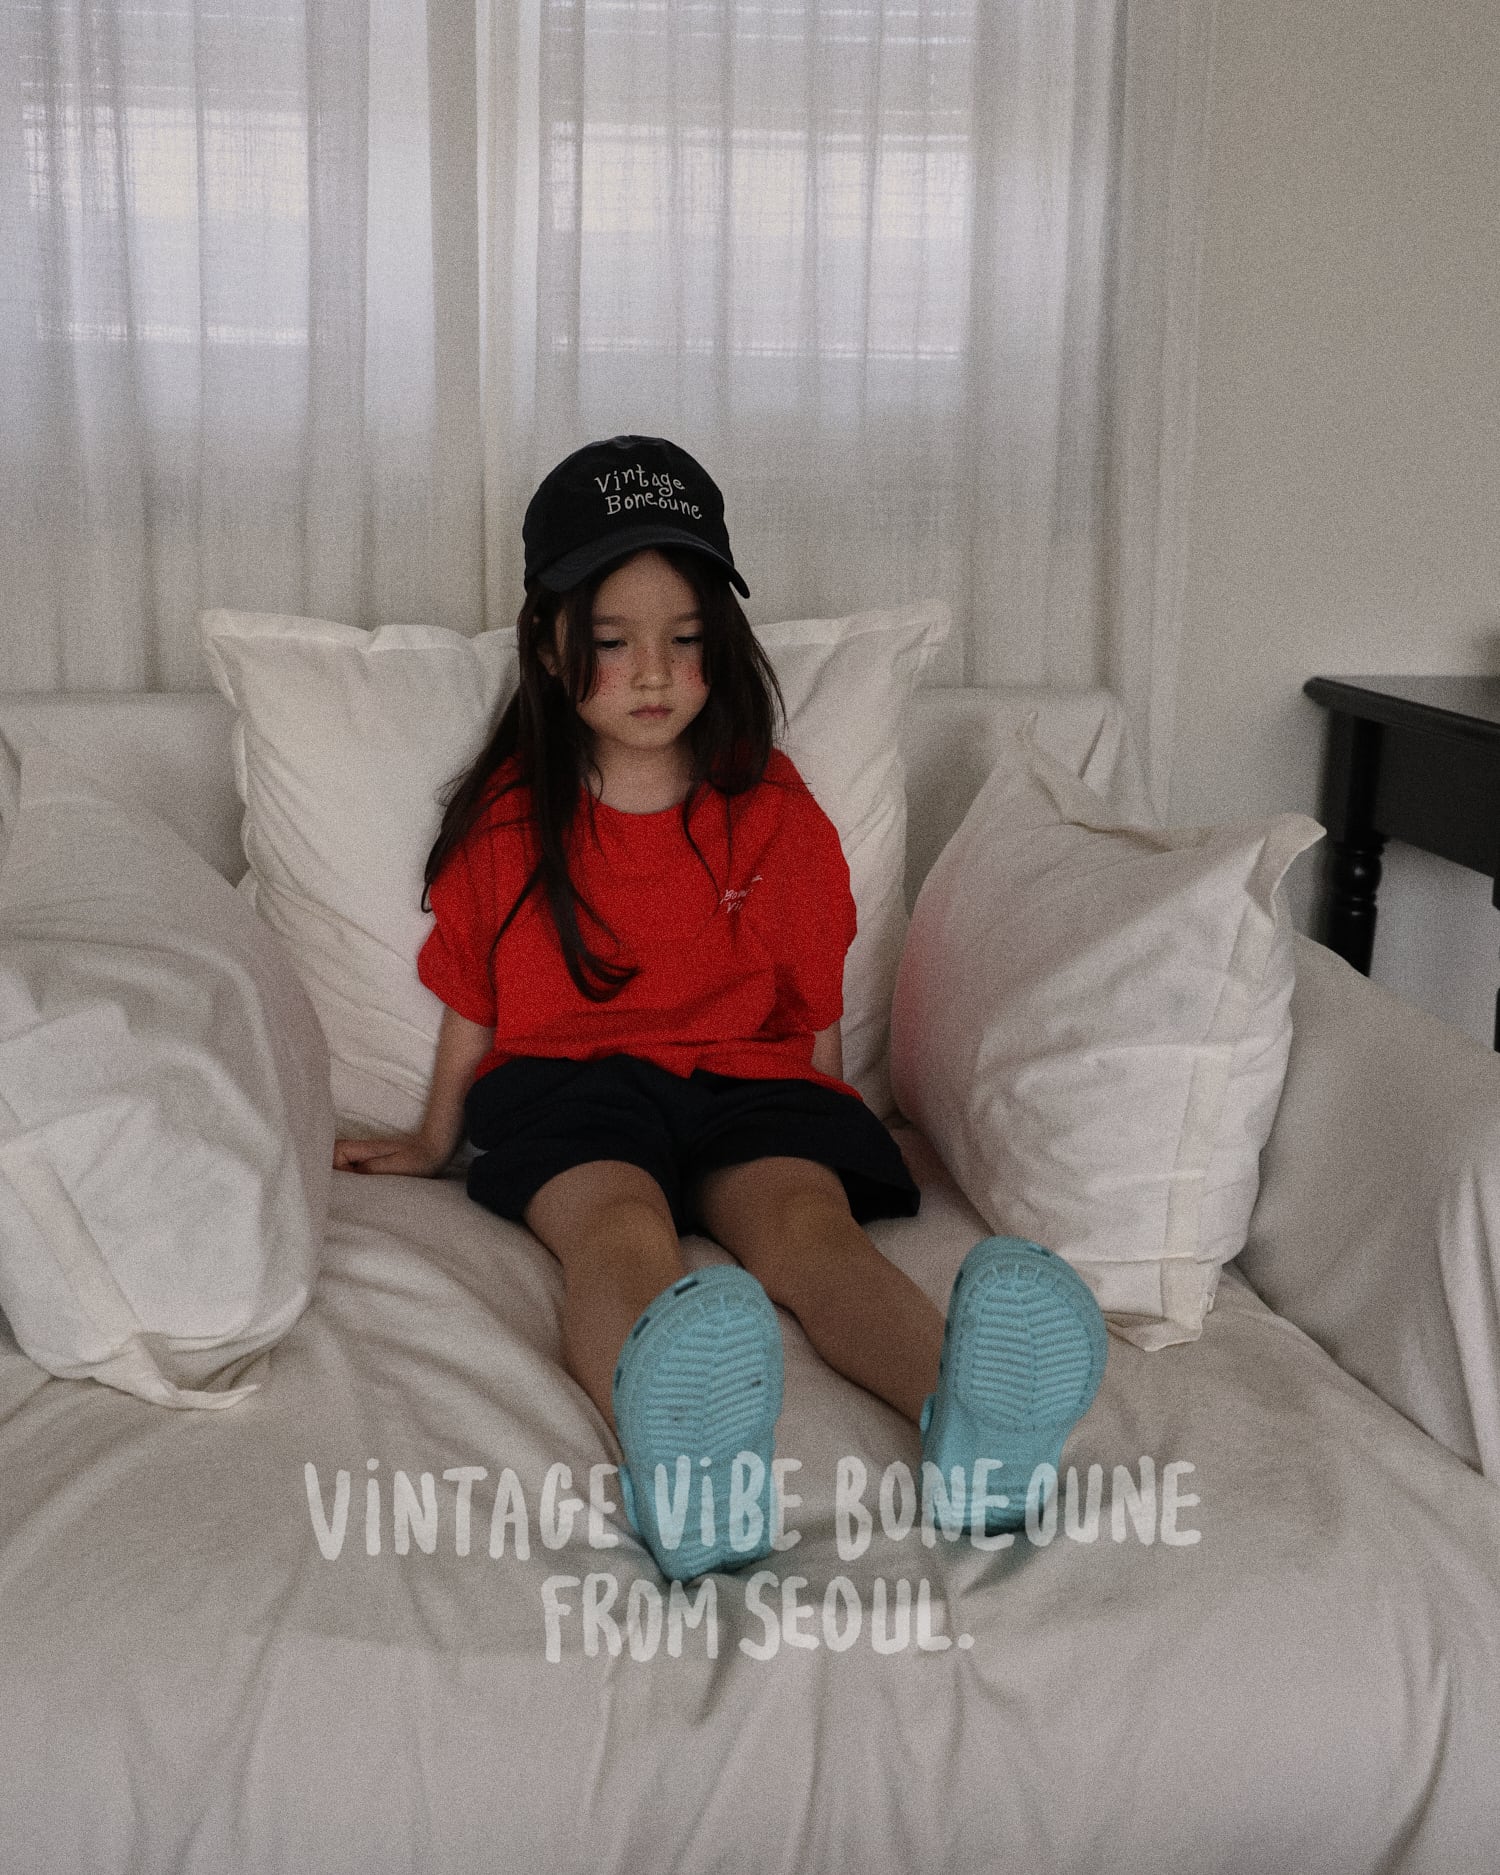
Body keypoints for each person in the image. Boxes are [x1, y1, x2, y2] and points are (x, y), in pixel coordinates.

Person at [333, 434, 1107, 1581]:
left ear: (721, 644)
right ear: (547, 645)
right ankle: (688, 1475)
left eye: (686, 639)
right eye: (613, 642)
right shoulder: (511, 819)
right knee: (618, 1231)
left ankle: (973, 1427)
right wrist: (429, 1137)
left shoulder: (772, 810)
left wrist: (830, 1119)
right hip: (574, 1091)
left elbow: (811, 993)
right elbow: (472, 993)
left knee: (808, 1231)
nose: (652, 672)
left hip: (747, 1083)